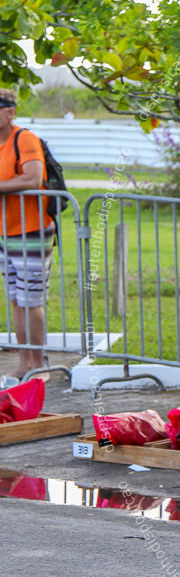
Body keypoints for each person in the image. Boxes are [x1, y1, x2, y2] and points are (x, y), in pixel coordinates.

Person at [0, 88, 53, 381]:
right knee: (16, 300)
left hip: (31, 229)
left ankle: (38, 363)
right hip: (4, 232)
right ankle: (25, 362)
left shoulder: (25, 138)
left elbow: (32, 178)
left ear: (10, 112)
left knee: (31, 300)